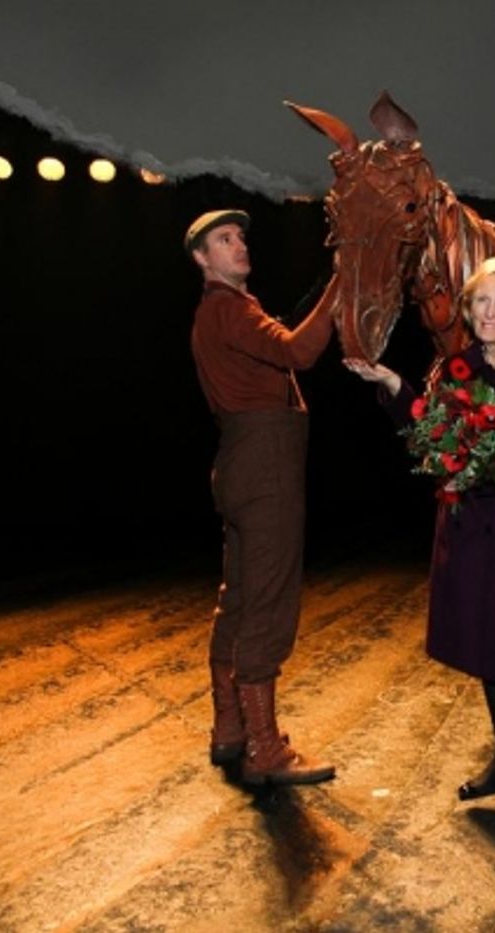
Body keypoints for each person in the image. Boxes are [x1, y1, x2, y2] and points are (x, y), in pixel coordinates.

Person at [345, 256, 495, 808]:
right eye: (482, 302)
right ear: (469, 309)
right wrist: (395, 384)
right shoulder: (457, 370)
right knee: (492, 646)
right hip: (473, 533)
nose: (490, 312)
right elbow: (429, 430)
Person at [186, 208, 336, 786]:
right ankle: (264, 750)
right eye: (223, 240)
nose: (238, 244)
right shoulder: (227, 308)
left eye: (240, 236)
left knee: (242, 598)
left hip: (241, 463)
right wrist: (341, 286)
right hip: (264, 464)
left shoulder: (220, 312)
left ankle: (230, 731)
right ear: (202, 259)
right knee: (269, 604)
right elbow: (299, 352)